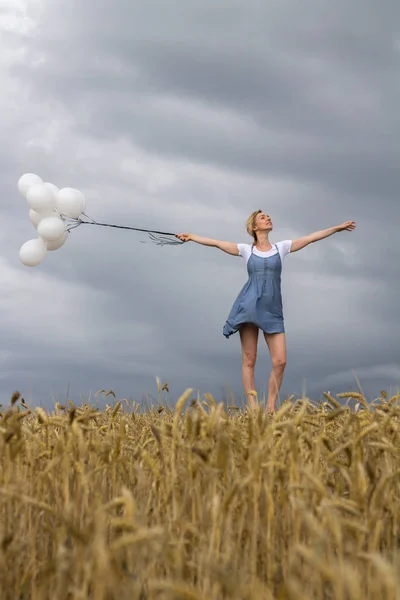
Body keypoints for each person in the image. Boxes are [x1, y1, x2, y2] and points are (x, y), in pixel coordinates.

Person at [176, 211, 356, 412]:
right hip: (249, 307)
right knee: (249, 359)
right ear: (254, 227)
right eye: (262, 217)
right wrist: (191, 237)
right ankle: (253, 408)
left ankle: (270, 407)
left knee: (280, 361)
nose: (268, 218)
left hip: (272, 310)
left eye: (268, 216)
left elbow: (311, 238)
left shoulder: (282, 248)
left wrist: (337, 228)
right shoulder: (246, 250)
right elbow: (217, 243)